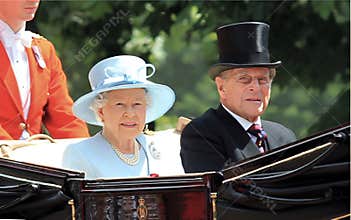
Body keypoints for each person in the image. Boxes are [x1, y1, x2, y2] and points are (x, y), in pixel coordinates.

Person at [180, 22, 296, 173]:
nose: (256, 87)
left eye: (262, 80)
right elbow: (224, 192)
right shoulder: (202, 133)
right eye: (244, 79)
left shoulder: (284, 137)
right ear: (221, 87)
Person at [62, 55, 176, 179]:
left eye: (137, 104)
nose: (130, 113)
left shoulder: (159, 149)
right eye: (119, 104)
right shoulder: (80, 153)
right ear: (101, 111)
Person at [0, 0, 89, 140]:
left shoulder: (44, 50)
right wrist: (14, 156)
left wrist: (85, 154)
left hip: (31, 157)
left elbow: (65, 118)